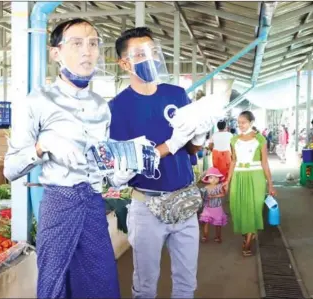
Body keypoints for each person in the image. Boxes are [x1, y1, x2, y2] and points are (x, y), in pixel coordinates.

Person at [3, 19, 130, 299]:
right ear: (56, 53)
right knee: (54, 283)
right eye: (76, 43)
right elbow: (10, 168)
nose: (87, 51)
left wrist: (118, 172)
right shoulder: (36, 101)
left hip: (94, 206)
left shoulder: (101, 106)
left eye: (93, 43)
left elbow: (104, 163)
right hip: (59, 204)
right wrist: (42, 145)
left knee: (101, 283)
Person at [109, 27, 213, 298]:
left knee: (186, 284)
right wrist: (170, 144)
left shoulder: (177, 95)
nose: (151, 58)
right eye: (141, 54)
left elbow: (191, 149)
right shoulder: (117, 108)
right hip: (147, 207)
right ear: (125, 63)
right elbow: (128, 162)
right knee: (145, 286)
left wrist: (200, 134)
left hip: (184, 201)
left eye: (153, 51)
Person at [225, 111, 276, 257]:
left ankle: (248, 242)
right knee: (238, 207)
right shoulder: (234, 140)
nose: (240, 125)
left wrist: (270, 184)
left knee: (253, 207)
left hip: (256, 177)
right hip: (238, 176)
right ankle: (247, 234)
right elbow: (233, 161)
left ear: (251, 122)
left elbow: (264, 162)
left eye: (243, 122)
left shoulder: (261, 139)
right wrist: (227, 181)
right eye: (239, 122)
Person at [199, 167, 228, 243]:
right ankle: (205, 236)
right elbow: (203, 196)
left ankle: (218, 236)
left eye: (216, 177)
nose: (214, 179)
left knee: (218, 224)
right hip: (207, 208)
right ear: (208, 179)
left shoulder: (219, 186)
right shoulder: (205, 188)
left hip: (217, 208)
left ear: (219, 178)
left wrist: (213, 196)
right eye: (211, 178)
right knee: (206, 222)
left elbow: (223, 194)